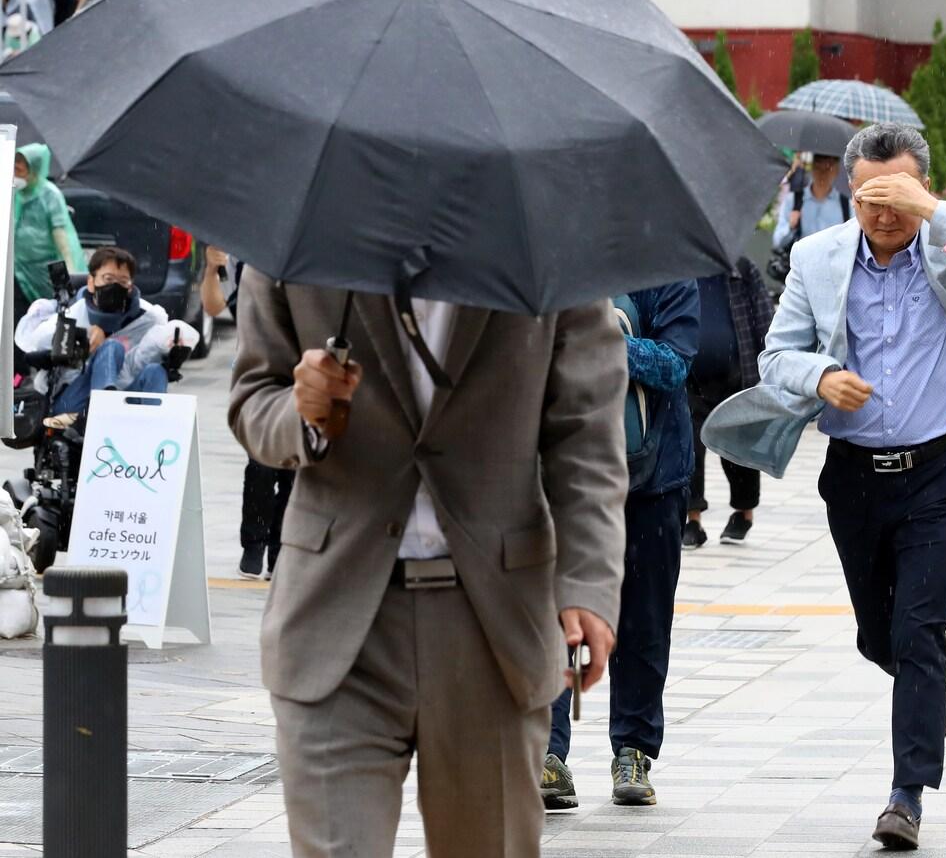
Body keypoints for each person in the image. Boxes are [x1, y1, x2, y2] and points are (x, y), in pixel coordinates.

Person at [702, 123, 946, 850]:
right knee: (879, 636)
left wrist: (933, 215)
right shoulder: (817, 257)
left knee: (920, 629)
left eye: (898, 196)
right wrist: (820, 376)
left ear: (925, 190)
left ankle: (906, 795)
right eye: (869, 197)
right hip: (855, 479)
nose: (882, 212)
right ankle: (924, 697)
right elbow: (778, 357)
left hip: (938, 475)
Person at [229, 269, 629, 857]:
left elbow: (586, 434)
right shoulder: (301, 234)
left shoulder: (545, 242)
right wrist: (302, 412)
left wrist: (589, 583)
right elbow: (252, 398)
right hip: (335, 626)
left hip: (493, 629)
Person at [544, 281, 699, 810]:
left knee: (645, 619)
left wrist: (598, 337)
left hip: (654, 479)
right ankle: (546, 752)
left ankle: (633, 750)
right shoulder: (552, 261)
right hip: (559, 474)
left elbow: (676, 365)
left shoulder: (671, 271)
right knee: (552, 611)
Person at [15, 246, 193, 423]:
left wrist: (171, 353)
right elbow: (32, 342)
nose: (115, 286)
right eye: (108, 279)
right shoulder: (73, 313)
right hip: (72, 404)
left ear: (130, 287)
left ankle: (152, 428)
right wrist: (80, 338)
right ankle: (103, 414)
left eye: (123, 281)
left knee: (156, 371)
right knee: (112, 347)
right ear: (91, 283)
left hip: (123, 398)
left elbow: (151, 351)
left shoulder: (146, 317)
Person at [200, 247, 292, 581]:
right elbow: (214, 306)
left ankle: (280, 552)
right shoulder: (246, 255)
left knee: (294, 471)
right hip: (260, 379)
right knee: (261, 466)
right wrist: (212, 269)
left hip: (304, 376)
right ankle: (254, 547)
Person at [683, 256, 773, 549]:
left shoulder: (742, 270)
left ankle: (743, 513)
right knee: (688, 452)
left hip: (738, 376)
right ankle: (691, 518)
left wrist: (768, 372)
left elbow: (765, 322)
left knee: (738, 450)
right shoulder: (680, 269)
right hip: (690, 380)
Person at [13, 144, 82, 309]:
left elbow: (60, 234)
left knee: (57, 311)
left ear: (34, 170)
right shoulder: (14, 193)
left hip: (48, 268)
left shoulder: (50, 195)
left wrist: (69, 270)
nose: (15, 174)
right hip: (19, 268)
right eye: (13, 169)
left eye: (20, 170)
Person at [771, 153, 850, 249]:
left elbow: (852, 243)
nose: (823, 172)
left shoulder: (846, 205)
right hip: (800, 261)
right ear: (812, 167)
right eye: (818, 166)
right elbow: (777, 241)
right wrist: (790, 227)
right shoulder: (794, 200)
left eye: (828, 167)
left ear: (836, 170)